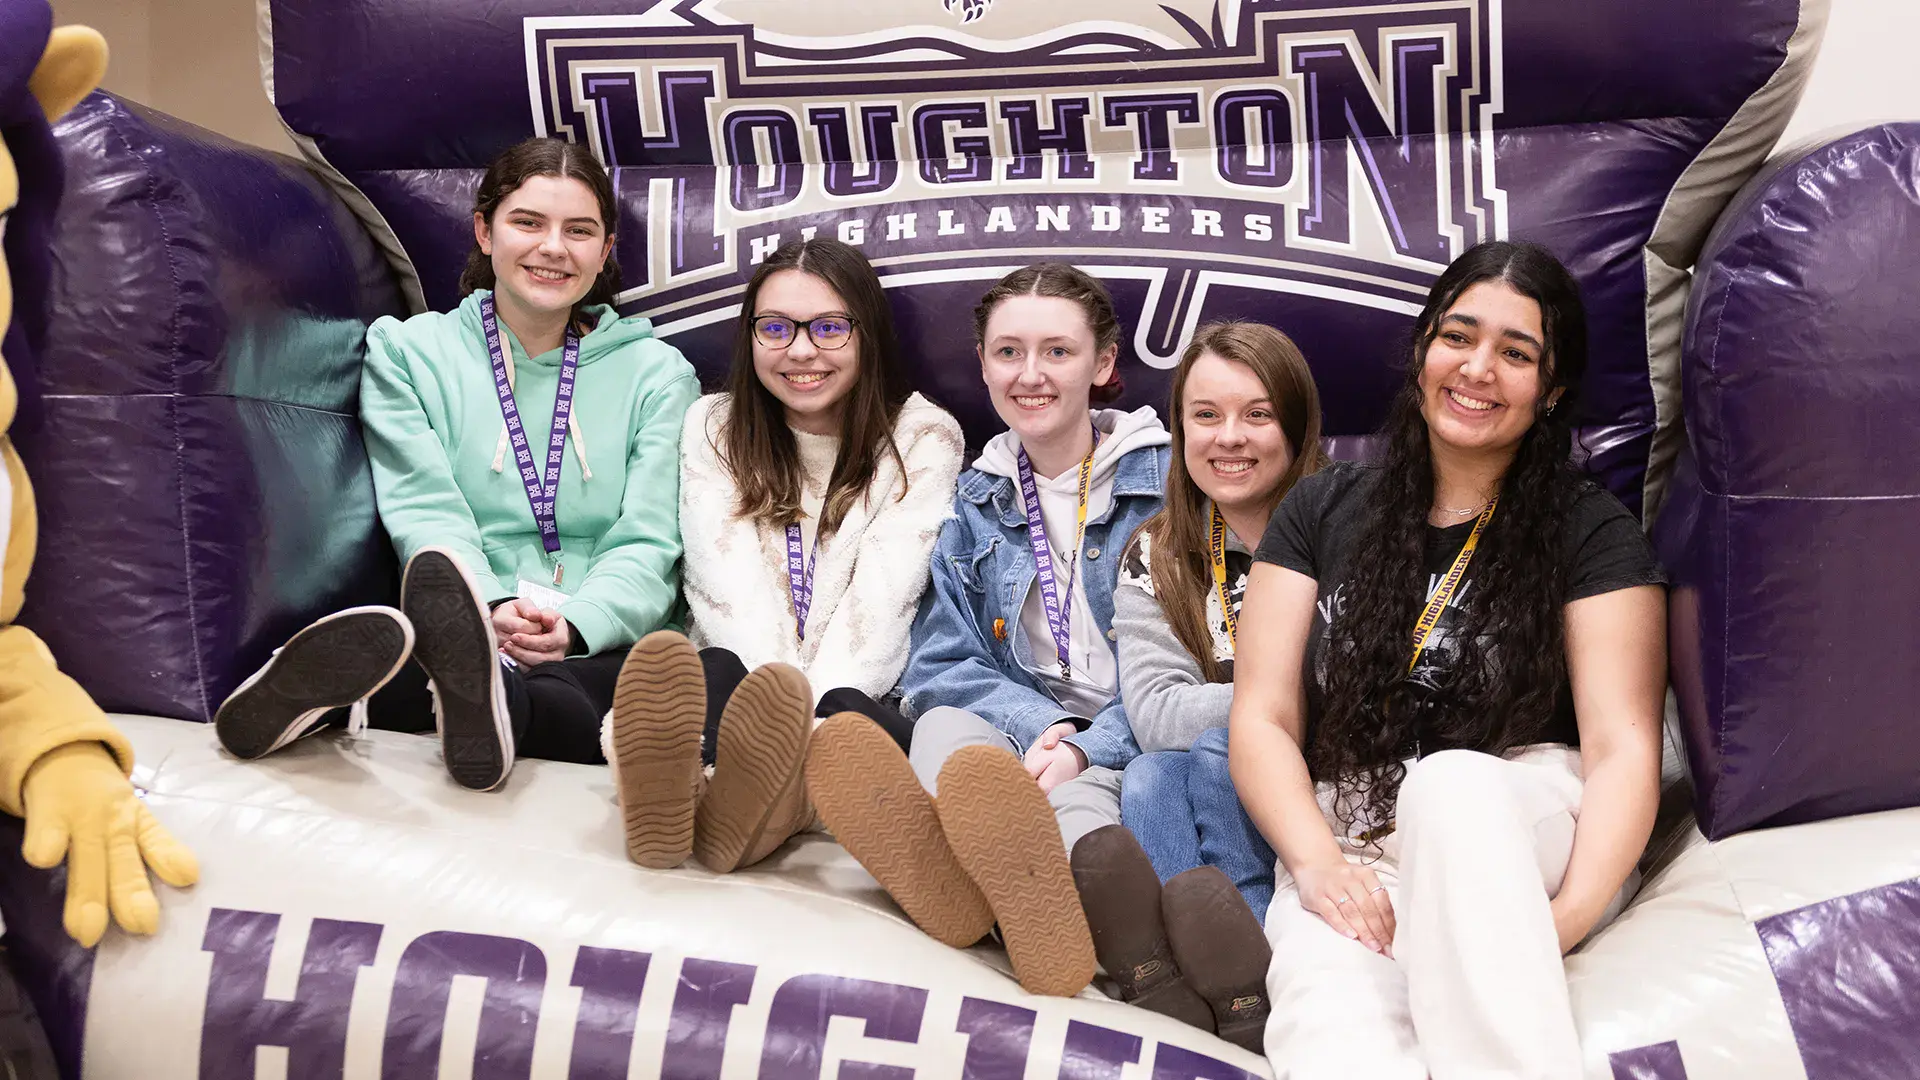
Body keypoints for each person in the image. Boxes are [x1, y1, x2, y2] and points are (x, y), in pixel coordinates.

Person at [1230, 240, 1667, 1077]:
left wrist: (1563, 921)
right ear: (1424, 348)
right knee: (1331, 1035)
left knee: (1450, 782)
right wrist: (1318, 865)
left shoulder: (1591, 530)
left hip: (1525, 823)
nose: (1477, 369)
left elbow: (1622, 752)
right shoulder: (1322, 507)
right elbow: (1262, 716)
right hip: (1358, 843)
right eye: (1458, 337)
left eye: (1515, 353)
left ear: (1551, 392)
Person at [213, 136, 697, 793]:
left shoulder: (658, 374)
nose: (553, 247)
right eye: (528, 222)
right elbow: (424, 508)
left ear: (605, 251)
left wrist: (579, 623)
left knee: (639, 686)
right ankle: (425, 686)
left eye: (578, 231)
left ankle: (402, 704)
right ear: (485, 231)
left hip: (601, 635)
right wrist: (487, 604)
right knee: (439, 646)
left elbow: (650, 538)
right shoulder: (410, 353)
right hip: (464, 617)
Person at [806, 262, 1169, 997]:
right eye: (1008, 352)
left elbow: (1195, 667)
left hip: (1128, 736)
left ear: (1102, 364)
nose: (1029, 374)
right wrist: (1043, 724)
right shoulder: (977, 496)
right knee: (941, 730)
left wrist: (1082, 747)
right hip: (1023, 727)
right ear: (982, 363)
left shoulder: (1168, 486)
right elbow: (942, 660)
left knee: (1076, 816)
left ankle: (993, 904)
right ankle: (995, 894)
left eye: (1057, 352)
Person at [603, 238, 964, 874]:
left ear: (867, 334)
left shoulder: (922, 437)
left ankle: (736, 802)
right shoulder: (714, 426)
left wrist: (796, 730)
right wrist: (765, 718)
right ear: (750, 336)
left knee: (850, 718)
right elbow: (725, 591)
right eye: (775, 328)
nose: (800, 351)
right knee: (710, 665)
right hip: (740, 693)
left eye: (828, 327)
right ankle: (711, 796)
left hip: (856, 692)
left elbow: (880, 612)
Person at [1070, 321, 1326, 1050]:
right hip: (1206, 765)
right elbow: (1152, 714)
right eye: (1206, 415)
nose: (1229, 438)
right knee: (1151, 773)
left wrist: (1267, 711)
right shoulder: (1156, 547)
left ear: (1298, 423)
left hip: (1323, 777)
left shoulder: (1352, 522)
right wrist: (1285, 694)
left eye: (1258, 414)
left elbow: (1352, 687)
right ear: (1180, 430)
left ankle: (1237, 947)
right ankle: (1192, 979)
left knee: (1216, 748)